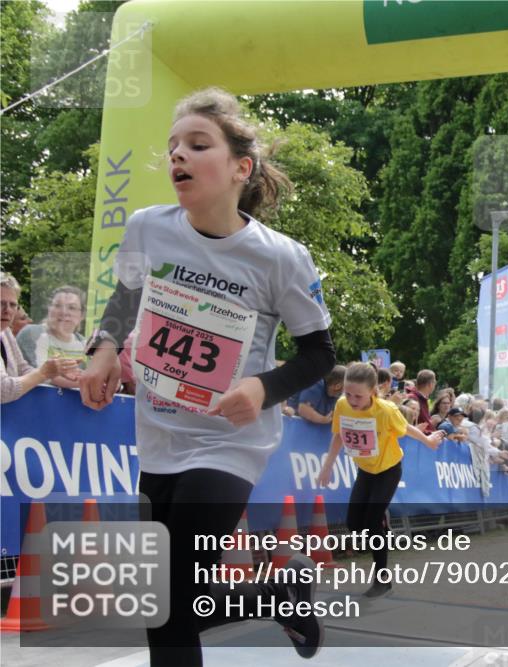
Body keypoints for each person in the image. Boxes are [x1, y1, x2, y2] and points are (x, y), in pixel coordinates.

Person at [78, 88, 336, 665]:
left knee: (170, 595)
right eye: (172, 147)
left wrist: (262, 388)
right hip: (158, 436)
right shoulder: (149, 227)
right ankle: (276, 592)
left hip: (229, 443)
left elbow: (319, 354)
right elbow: (126, 297)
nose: (178, 157)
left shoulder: (280, 257)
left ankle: (276, 592)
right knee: (164, 610)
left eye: (197, 145)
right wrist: (103, 348)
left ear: (241, 168)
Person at [317, 362, 442, 597]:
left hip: (388, 470)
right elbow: (338, 436)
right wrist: (327, 466)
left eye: (358, 396)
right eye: (348, 393)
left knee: (373, 522)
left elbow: (406, 428)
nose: (352, 400)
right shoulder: (343, 405)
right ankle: (381, 527)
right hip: (365, 470)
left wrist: (429, 441)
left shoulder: (385, 410)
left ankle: (382, 580)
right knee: (354, 524)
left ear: (373, 391)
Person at [2, 273, 79, 403]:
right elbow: (3, 391)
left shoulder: (5, 332)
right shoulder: (31, 333)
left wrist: (58, 373)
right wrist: (44, 373)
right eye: (1, 303)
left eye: (13, 305)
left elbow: (22, 369)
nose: (7, 310)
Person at [16, 285, 88, 389]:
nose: (64, 312)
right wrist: (88, 383)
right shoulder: (32, 333)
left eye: (72, 308)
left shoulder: (84, 343)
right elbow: (41, 375)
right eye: (58, 305)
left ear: (82, 315)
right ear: (49, 309)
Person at [406, 369, 436, 433]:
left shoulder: (423, 398)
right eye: (434, 382)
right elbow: (408, 423)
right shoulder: (412, 398)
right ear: (430, 384)